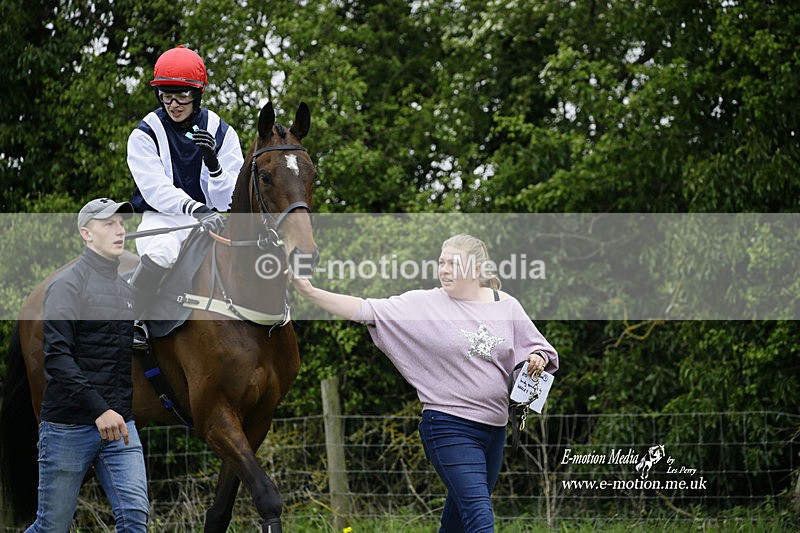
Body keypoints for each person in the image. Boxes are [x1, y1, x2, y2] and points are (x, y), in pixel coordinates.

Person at [292, 233, 559, 533]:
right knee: (479, 517)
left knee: (458, 521)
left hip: (496, 430)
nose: (444, 269)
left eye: (453, 263)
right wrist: (310, 292)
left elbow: (539, 348)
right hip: (448, 426)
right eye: (441, 262)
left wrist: (536, 357)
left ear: (476, 269)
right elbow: (366, 309)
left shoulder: (505, 304)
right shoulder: (424, 304)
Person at [26, 198, 148, 532]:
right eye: (108, 224)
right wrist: (99, 409)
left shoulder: (125, 291)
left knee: (135, 520)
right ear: (86, 233)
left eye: (121, 224)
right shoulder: (66, 285)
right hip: (68, 429)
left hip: (119, 427)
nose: (120, 231)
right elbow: (57, 358)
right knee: (51, 527)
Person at [127, 45, 244, 315]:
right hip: (163, 220)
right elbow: (156, 190)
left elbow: (227, 201)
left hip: (212, 220)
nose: (173, 105)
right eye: (166, 97)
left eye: (182, 96)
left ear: (197, 95)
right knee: (162, 251)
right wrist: (197, 209)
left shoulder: (222, 132)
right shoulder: (145, 134)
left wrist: (214, 167)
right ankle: (130, 320)